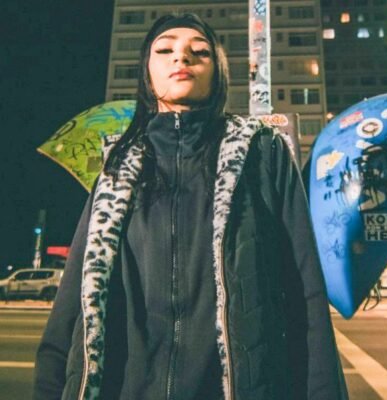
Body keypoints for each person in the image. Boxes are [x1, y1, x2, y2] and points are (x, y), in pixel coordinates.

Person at [33, 13, 348, 400]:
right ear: (146, 72)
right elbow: (73, 302)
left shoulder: (262, 152)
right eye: (165, 50)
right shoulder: (118, 167)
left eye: (200, 52)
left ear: (219, 72)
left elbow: (304, 290)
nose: (181, 57)